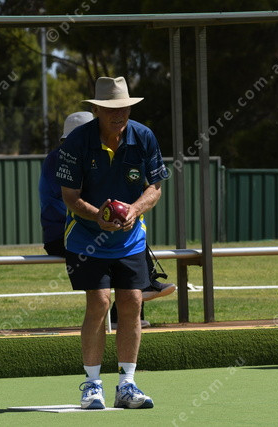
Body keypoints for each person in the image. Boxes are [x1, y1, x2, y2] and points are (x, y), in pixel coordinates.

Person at [55, 76, 168, 410]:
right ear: (96, 110)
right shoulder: (77, 142)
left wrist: (134, 209)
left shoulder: (144, 136)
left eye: (124, 108)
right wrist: (99, 217)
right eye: (110, 109)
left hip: (130, 238)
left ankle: (127, 385)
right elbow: (70, 197)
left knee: (132, 302)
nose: (119, 114)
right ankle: (92, 385)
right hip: (86, 237)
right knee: (100, 302)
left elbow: (155, 187)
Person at [39, 111, 176, 328]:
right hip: (65, 233)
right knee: (118, 239)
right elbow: (71, 199)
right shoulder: (66, 154)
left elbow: (152, 188)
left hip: (72, 230)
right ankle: (144, 288)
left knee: (126, 233)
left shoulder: (66, 152)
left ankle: (135, 299)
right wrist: (103, 214)